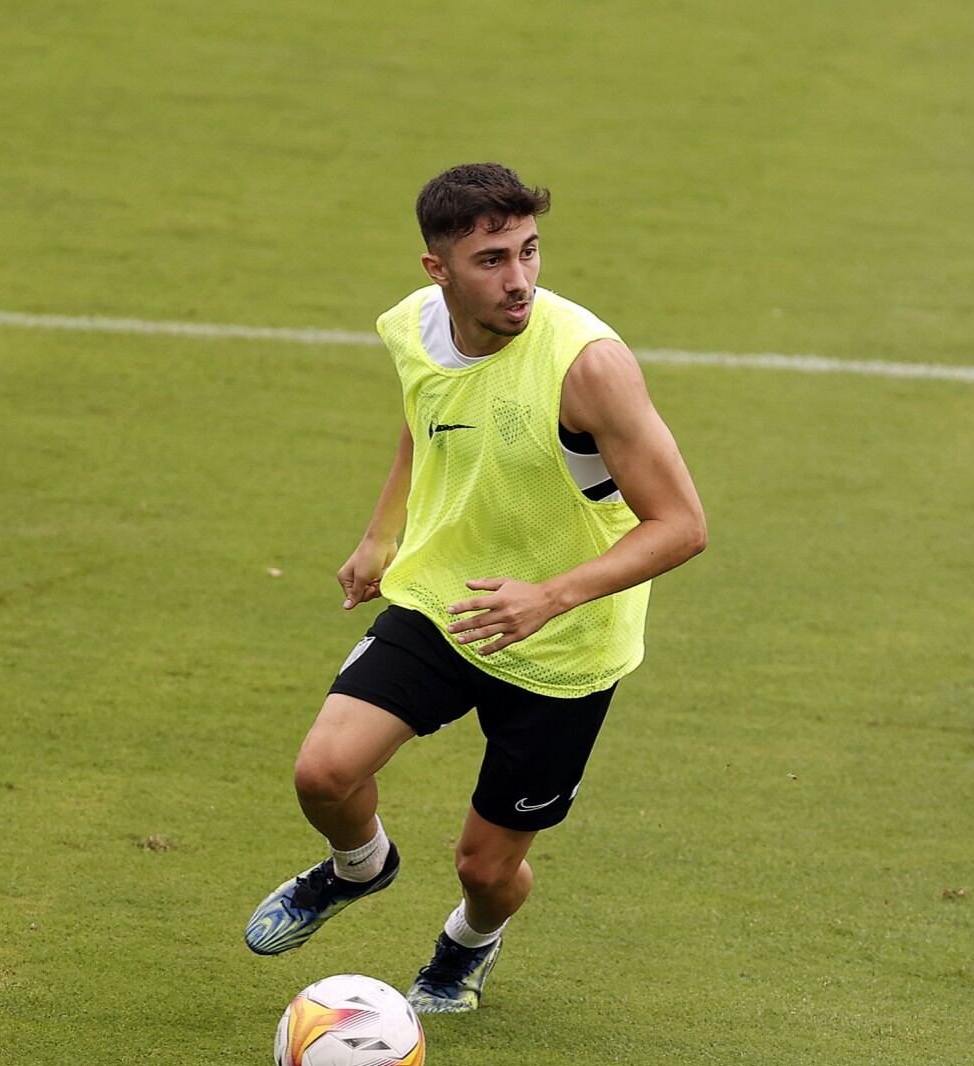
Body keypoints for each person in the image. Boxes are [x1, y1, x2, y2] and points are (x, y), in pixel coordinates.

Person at [244, 163, 709, 1009]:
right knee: (324, 775)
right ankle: (359, 867)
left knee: (486, 869)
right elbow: (427, 414)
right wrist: (383, 533)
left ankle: (468, 943)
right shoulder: (416, 328)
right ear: (439, 272)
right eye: (493, 259)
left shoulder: (588, 366)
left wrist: (550, 595)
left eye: (530, 252)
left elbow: (682, 525)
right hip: (446, 600)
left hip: (565, 645)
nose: (520, 278)